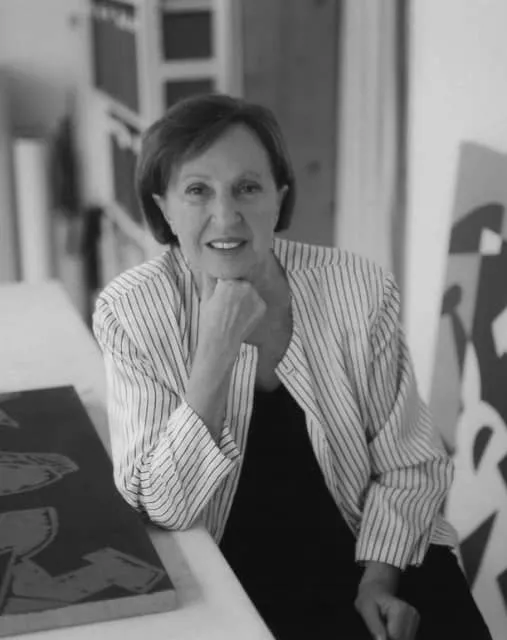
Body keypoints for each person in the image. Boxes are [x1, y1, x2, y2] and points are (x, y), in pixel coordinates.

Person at [93, 93, 492, 640]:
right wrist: (215, 352)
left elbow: (410, 464)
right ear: (164, 207)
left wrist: (378, 581)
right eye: (198, 190)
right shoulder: (130, 312)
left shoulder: (357, 287)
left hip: (376, 549)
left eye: (247, 188)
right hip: (237, 579)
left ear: (279, 199)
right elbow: (164, 506)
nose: (225, 216)